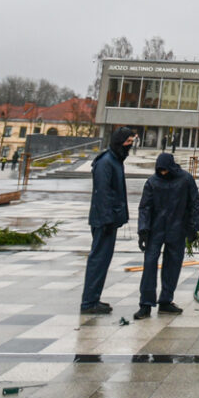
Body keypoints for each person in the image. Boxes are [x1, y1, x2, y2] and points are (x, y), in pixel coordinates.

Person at [134, 152, 199, 320]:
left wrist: (193, 228)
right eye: (160, 170)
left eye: (165, 170)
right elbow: (145, 208)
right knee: (150, 264)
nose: (163, 173)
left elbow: (195, 204)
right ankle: (146, 304)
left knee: (172, 265)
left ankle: (165, 300)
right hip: (155, 230)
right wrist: (143, 230)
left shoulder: (185, 180)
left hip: (176, 229)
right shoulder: (152, 182)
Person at [81, 127, 136, 314]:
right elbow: (102, 194)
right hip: (103, 220)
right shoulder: (106, 163)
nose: (130, 146)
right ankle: (89, 302)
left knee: (103, 260)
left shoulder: (115, 160)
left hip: (108, 219)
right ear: (119, 141)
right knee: (98, 259)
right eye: (128, 142)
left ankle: (93, 298)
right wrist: (106, 219)